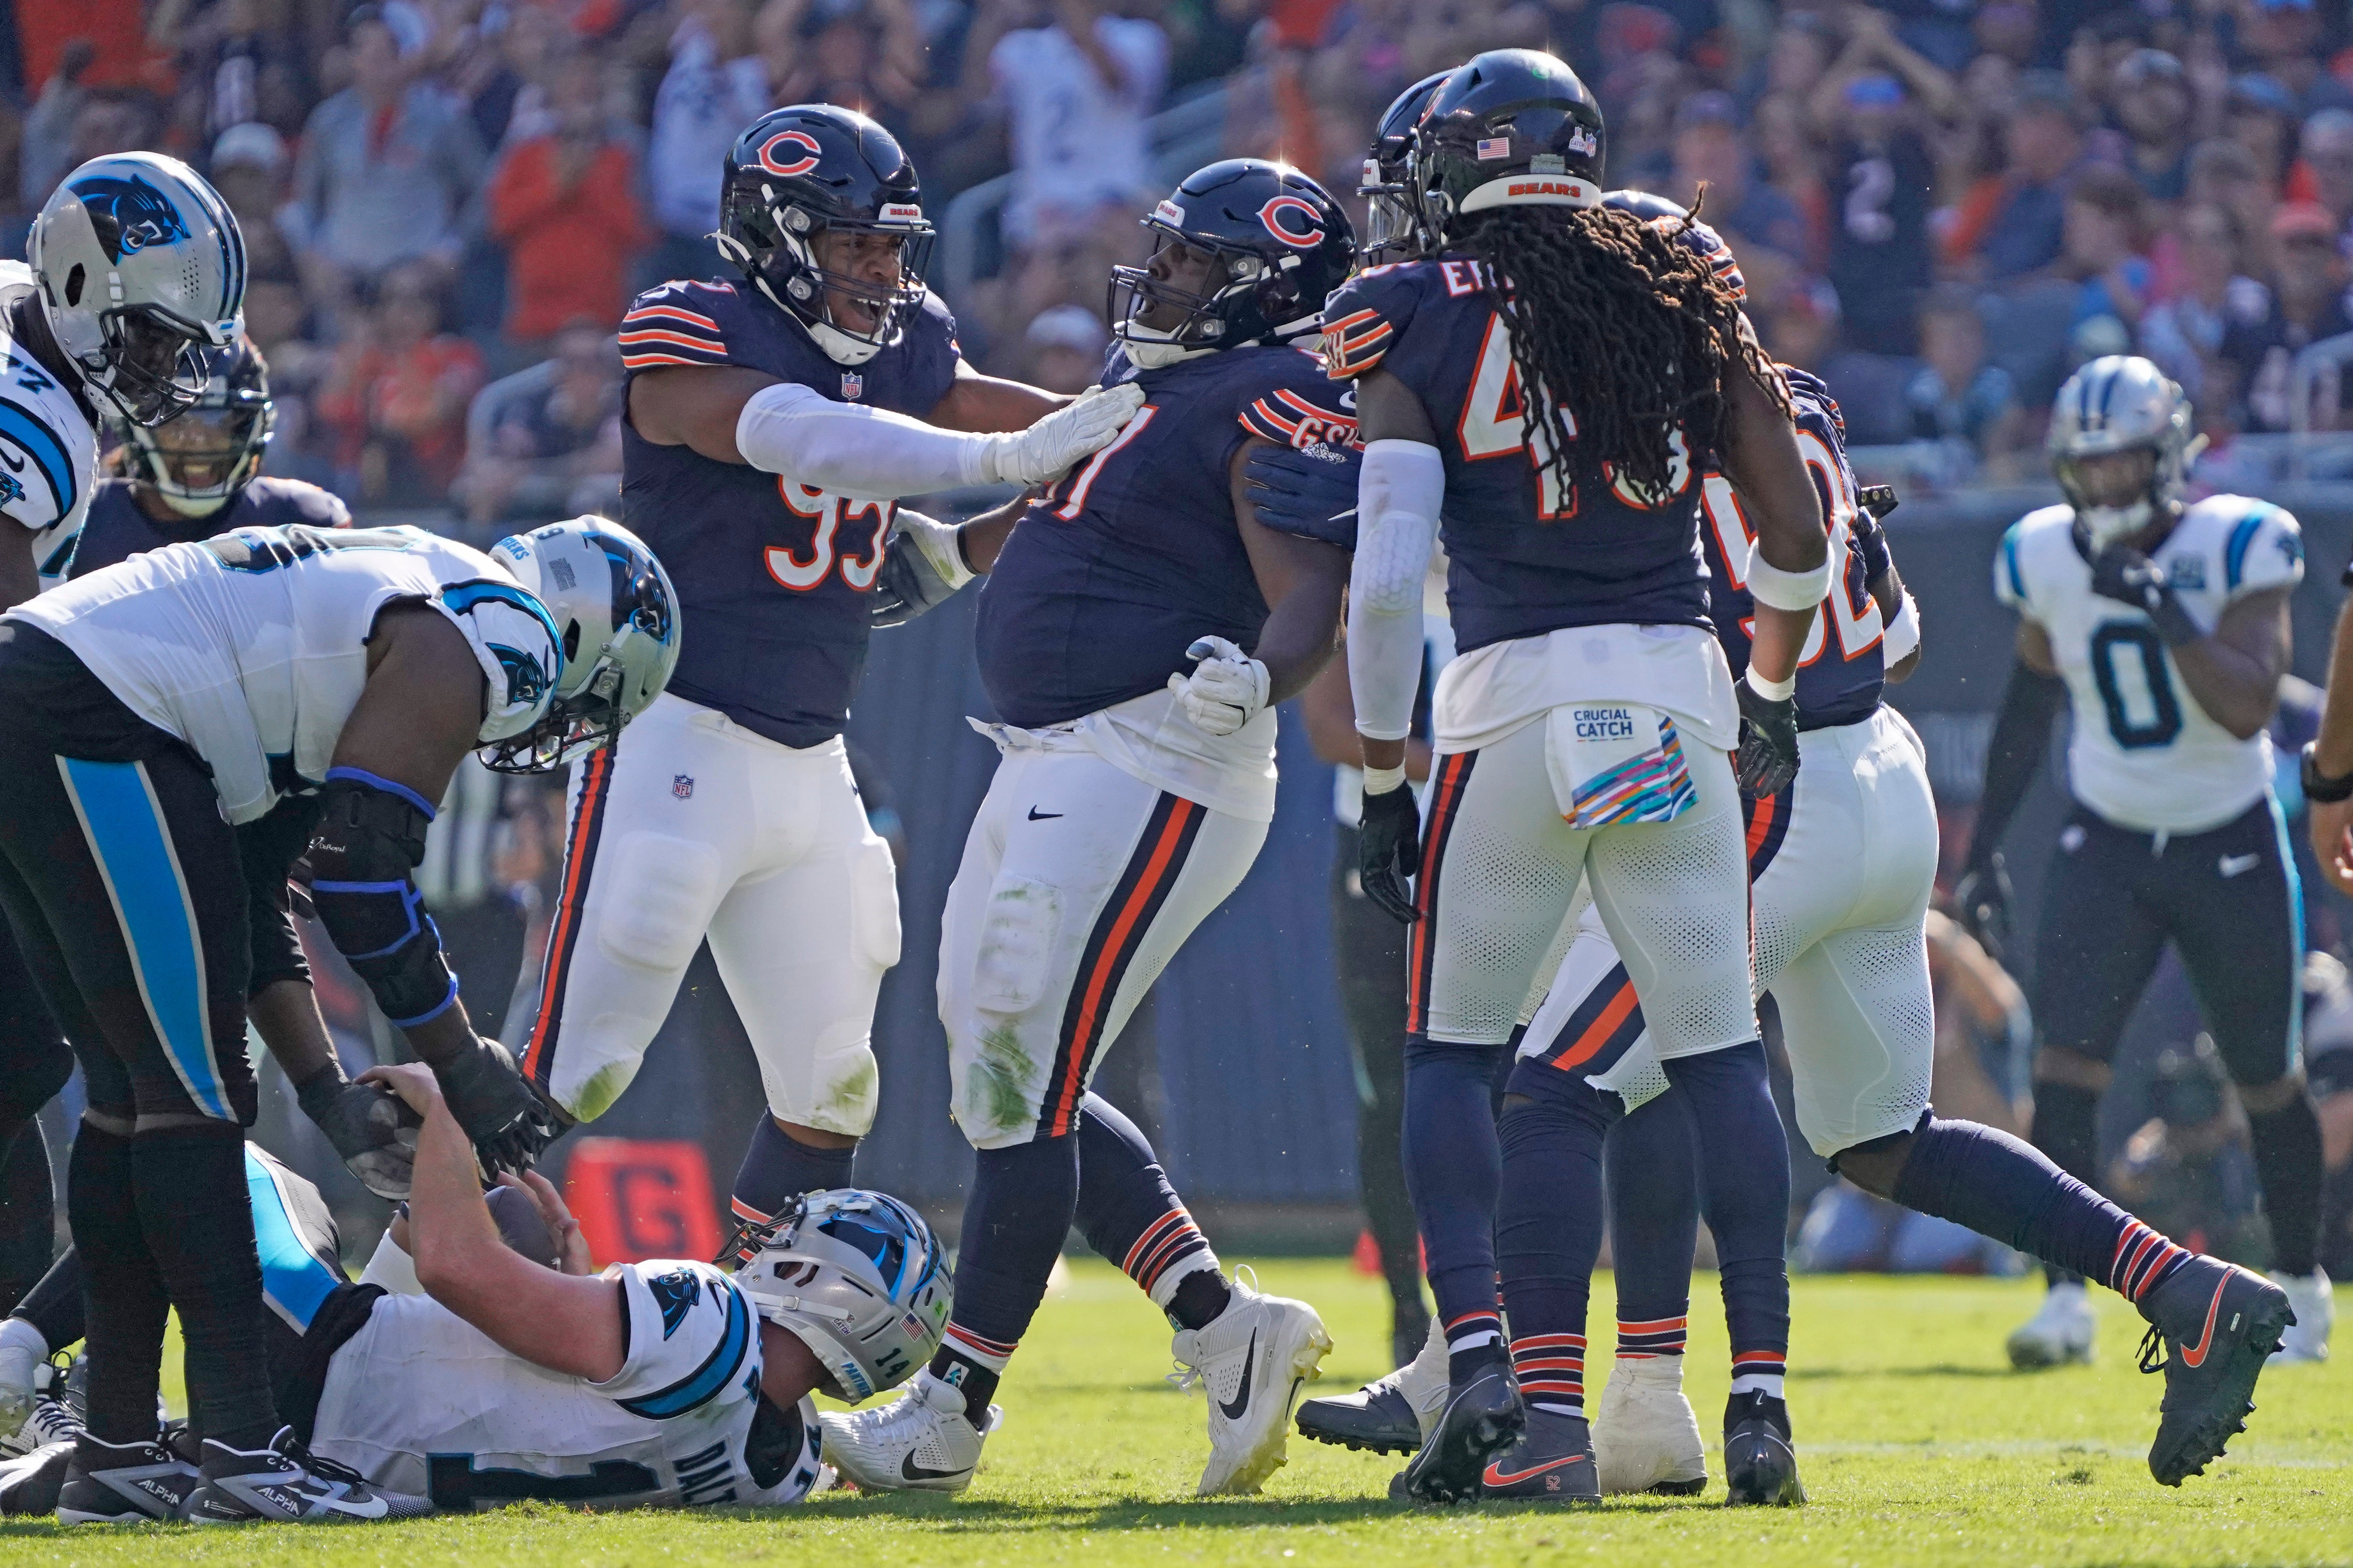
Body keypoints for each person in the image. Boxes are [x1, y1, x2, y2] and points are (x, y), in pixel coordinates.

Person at [1504, 360, 2305, 1496]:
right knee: (1883, 1139)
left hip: (1778, 792)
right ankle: (2182, 1287)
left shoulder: (1636, 423)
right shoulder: (1802, 405)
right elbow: (1897, 641)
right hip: (1880, 774)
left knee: (1559, 1086)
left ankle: (1531, 1417)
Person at [1321, 50, 1831, 1506]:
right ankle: (1757, 1406)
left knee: (1454, 1053)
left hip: (1509, 704)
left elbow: (1376, 588)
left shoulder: (1412, 312)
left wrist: (1377, 780)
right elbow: (1790, 530)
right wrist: (1772, 682)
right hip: (1672, 693)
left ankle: (1480, 1366)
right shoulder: (1675, 278)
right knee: (1718, 1055)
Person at [820, 158, 1359, 1500]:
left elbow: (1308, 587)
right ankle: (1228, 1330)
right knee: (1002, 1065)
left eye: (1191, 264)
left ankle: (950, 1412)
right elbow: (1078, 505)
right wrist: (958, 551)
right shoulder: (1160, 388)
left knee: (1017, 1067)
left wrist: (1267, 669)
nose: (1159, 277)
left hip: (1156, 751)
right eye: (1164, 252)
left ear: (1259, 293)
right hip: (1055, 751)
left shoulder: (1269, 395)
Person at [519, 105, 1145, 1237]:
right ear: (774, 235)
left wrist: (1110, 432)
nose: (880, 270)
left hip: (812, 758)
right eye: (855, 243)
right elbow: (799, 435)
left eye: (894, 246)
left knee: (829, 1083)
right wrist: (1015, 457)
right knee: (575, 1064)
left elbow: (972, 428)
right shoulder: (695, 327)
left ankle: (761, 1373)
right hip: (675, 737)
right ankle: (399, 1317)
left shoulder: (910, 350)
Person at [0, 513, 676, 1521]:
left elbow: (258, 900)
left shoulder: (388, 593)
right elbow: (364, 878)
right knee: (194, 1096)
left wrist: (324, 1091)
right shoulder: (499, 631)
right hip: (92, 710)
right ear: (578, 637)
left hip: (50, 687)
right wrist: (466, 1063)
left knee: (138, 1093)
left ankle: (119, 1451)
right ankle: (241, 1447)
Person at [0, 1086, 943, 1515]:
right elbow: (580, 1407)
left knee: (206, 1148)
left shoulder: (711, 1317)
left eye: (794, 1241)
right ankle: (81, 1449)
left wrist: (445, 1110)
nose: (770, 1242)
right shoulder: (777, 1466)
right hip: (361, 1457)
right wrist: (573, 1269)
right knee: (504, 1223)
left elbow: (455, 1266)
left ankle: (16, 1350)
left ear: (828, 1284)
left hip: (329, 1364)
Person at [1957, 355, 2320, 1379]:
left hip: (2228, 831)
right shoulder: (2041, 552)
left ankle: (2300, 1286)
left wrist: (2164, 602)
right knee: (2066, 1074)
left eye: (2125, 466)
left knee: (2266, 1073)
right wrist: (1985, 850)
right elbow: (2030, 710)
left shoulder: (2238, 539)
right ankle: (2067, 1295)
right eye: (2092, 468)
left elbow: (2249, 703)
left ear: (2168, 458)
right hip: (2108, 835)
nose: (2108, 486)